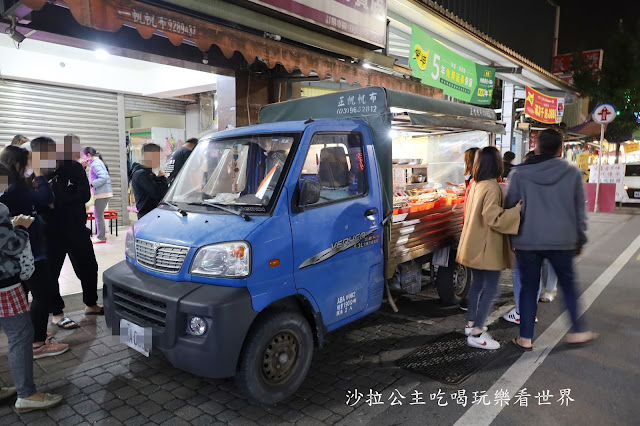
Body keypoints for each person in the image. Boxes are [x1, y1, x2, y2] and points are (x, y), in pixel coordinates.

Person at [506, 129, 597, 350]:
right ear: (561, 147)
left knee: (528, 287)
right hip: (562, 239)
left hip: (528, 240)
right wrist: (580, 240)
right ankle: (578, 331)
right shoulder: (573, 173)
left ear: (537, 145)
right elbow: (579, 212)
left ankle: (525, 338)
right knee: (568, 285)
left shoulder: (519, 174)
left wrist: (512, 239)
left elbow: (510, 207)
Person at [0, 165, 63, 413]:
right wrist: (20, 228)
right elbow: (12, 246)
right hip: (4, 282)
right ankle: (27, 395)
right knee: (20, 335)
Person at [0, 141, 70, 357]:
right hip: (29, 252)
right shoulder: (16, 188)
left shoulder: (13, 187)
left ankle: (35, 333)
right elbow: (46, 199)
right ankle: (38, 343)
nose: (33, 165)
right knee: (43, 294)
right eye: (30, 162)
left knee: (28, 293)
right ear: (19, 164)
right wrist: (39, 175)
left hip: (23, 252)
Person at [457, 147, 522, 350]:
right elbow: (494, 217)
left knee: (477, 285)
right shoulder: (492, 187)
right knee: (491, 287)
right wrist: (516, 211)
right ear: (497, 163)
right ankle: (477, 332)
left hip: (473, 243)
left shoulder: (476, 184)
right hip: (487, 245)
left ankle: (470, 324)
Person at [45, 135, 102, 324]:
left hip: (76, 227)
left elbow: (85, 194)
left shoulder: (74, 167)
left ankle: (91, 304)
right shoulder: (40, 172)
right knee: (51, 273)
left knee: (88, 266)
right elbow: (41, 201)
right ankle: (57, 313)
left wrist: (58, 202)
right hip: (50, 232)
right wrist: (63, 200)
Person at [83, 146, 113, 244]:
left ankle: (101, 237)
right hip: (103, 192)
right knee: (99, 215)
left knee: (98, 215)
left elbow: (104, 177)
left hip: (102, 193)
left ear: (88, 155)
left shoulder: (95, 164)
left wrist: (91, 184)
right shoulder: (98, 162)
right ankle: (101, 236)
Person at [131, 143, 169, 219]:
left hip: (153, 215)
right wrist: (162, 178)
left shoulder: (148, 173)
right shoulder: (141, 174)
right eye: (158, 157)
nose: (159, 160)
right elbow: (157, 194)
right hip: (147, 217)